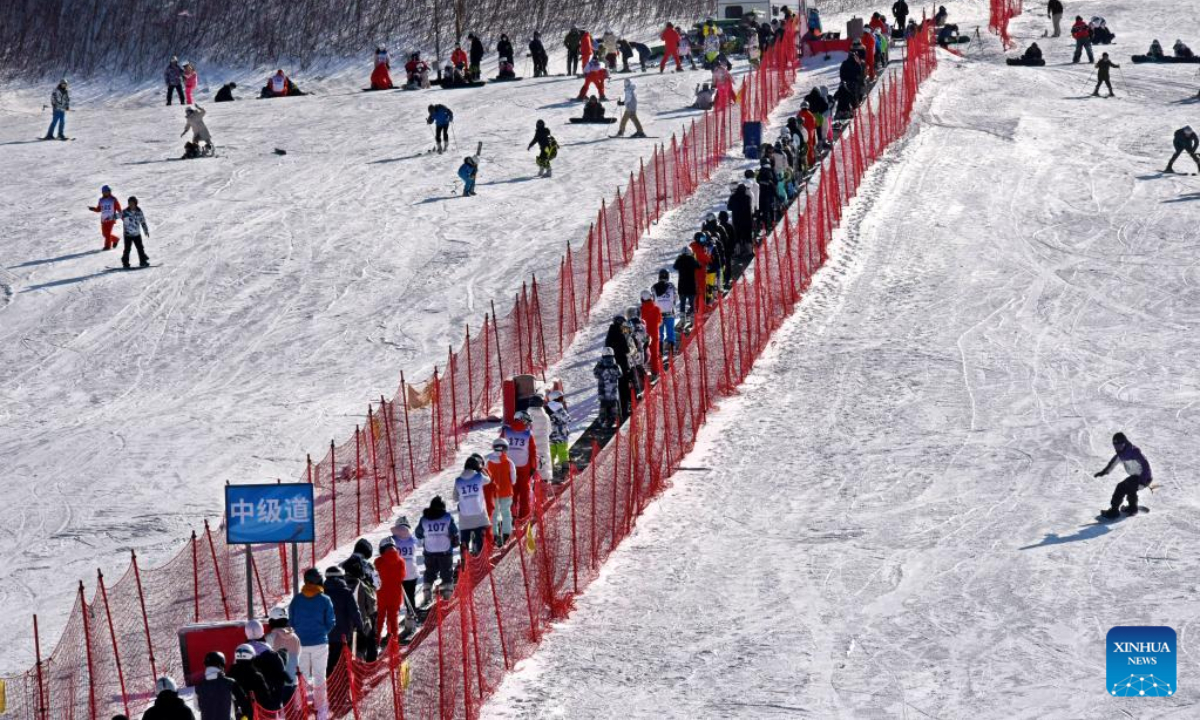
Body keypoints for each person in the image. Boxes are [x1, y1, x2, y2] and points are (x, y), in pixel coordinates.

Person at [288, 567, 335, 720]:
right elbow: (331, 622)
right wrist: (321, 632)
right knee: (319, 676)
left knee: (301, 676)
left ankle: (299, 707)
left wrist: (301, 632)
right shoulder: (325, 600)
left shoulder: (296, 600)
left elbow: (291, 621)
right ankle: (321, 709)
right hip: (320, 643)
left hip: (301, 644)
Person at [1094, 432, 1153, 519]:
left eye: (1120, 445)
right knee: (1129, 487)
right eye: (1116, 446)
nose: (1118, 448)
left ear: (1125, 443)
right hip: (1136, 477)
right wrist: (1104, 472)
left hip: (1144, 478)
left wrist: (1143, 481)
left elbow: (1146, 465)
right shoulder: (1120, 455)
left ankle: (1114, 511)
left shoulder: (1134, 452)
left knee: (1122, 486)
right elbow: (1112, 464)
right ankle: (1132, 508)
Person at [322, 565, 364, 674]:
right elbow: (354, 612)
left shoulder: (321, 594)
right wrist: (360, 626)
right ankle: (343, 682)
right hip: (343, 635)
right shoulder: (346, 592)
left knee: (329, 662)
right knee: (343, 661)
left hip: (325, 635)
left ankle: (330, 682)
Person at [416, 495, 458, 600]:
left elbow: (418, 534)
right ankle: (447, 592)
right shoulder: (447, 517)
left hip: (429, 550)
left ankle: (427, 590)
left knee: (430, 571)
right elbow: (454, 531)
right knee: (446, 571)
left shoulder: (424, 519)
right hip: (445, 550)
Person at [340, 552, 377, 660]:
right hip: (361, 624)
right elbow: (371, 606)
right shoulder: (361, 585)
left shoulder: (340, 584)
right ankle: (364, 665)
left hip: (343, 625)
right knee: (363, 647)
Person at [501, 410, 538, 519]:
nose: (527, 424)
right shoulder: (528, 434)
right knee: (524, 491)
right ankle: (524, 515)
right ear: (522, 419)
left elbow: (499, 448)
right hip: (524, 466)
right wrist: (533, 467)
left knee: (511, 491)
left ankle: (510, 515)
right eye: (526, 421)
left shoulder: (505, 431)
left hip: (508, 466)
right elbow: (532, 452)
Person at [454, 456, 491, 555]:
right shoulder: (479, 477)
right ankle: (481, 557)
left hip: (465, 516)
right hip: (479, 515)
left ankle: (464, 558)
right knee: (480, 539)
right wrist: (481, 470)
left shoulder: (458, 480)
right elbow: (489, 480)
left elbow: (455, 498)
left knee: (465, 539)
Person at [374, 535, 406, 644]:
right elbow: (402, 577)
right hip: (396, 595)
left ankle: (377, 641)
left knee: (380, 619)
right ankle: (394, 642)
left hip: (382, 595)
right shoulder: (401, 561)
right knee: (393, 619)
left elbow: (375, 577)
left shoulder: (378, 561)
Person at [196, 651, 246, 720]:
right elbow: (244, 702)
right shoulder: (230, 683)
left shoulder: (198, 686)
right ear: (221, 665)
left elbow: (197, 707)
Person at [387, 518, 420, 617]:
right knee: (410, 593)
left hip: (398, 571)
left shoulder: (392, 540)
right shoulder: (413, 539)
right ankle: (411, 611)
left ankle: (395, 612)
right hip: (412, 570)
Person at [229, 644, 271, 717]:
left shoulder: (230, 674)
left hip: (232, 713)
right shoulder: (256, 676)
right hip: (252, 714)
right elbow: (266, 698)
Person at [487, 439, 517, 542]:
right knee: (506, 513)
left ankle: (494, 535)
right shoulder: (509, 462)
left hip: (493, 493)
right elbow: (513, 480)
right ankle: (506, 534)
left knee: (494, 514)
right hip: (506, 491)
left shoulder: (488, 462)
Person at [265, 605, 301, 683]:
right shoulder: (295, 637)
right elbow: (297, 657)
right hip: (294, 680)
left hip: (278, 683)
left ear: (272, 621)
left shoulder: (270, 637)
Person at [594, 347, 623, 427]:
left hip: (602, 390)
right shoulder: (615, 364)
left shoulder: (600, 364)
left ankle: (602, 420)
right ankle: (613, 420)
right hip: (613, 390)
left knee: (603, 406)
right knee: (613, 406)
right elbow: (620, 374)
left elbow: (595, 374)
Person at [653, 268, 679, 358]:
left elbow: (653, 300)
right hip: (669, 313)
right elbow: (676, 298)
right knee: (670, 332)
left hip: (658, 314)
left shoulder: (654, 287)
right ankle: (672, 351)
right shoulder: (671, 286)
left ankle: (660, 352)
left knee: (659, 334)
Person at [119, 197, 150, 269]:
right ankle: (125, 262)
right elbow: (117, 215)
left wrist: (145, 230)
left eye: (132, 203)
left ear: (135, 203)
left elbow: (143, 221)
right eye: (129, 203)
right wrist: (109, 218)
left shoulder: (139, 212)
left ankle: (143, 262)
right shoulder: (125, 212)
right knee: (127, 249)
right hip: (128, 234)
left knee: (140, 248)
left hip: (137, 234)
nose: (131, 205)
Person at [546, 390, 571, 477]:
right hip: (561, 435)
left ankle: (550, 470)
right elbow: (567, 419)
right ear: (555, 399)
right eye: (560, 398)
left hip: (550, 435)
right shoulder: (559, 409)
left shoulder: (546, 408)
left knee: (551, 452)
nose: (562, 400)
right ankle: (565, 471)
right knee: (563, 452)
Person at [89, 185, 122, 251]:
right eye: (104, 192)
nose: (106, 193)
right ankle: (115, 239)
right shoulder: (101, 200)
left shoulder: (113, 199)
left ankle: (107, 246)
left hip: (111, 219)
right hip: (103, 219)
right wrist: (93, 209)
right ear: (102, 192)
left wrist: (122, 215)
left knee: (107, 234)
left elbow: (118, 208)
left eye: (107, 191)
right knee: (104, 234)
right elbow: (99, 209)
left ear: (109, 191)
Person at [639, 289, 663, 377]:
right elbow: (660, 322)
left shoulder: (640, 310)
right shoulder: (656, 309)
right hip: (654, 335)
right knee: (654, 354)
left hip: (643, 336)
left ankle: (642, 374)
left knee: (642, 354)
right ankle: (655, 371)